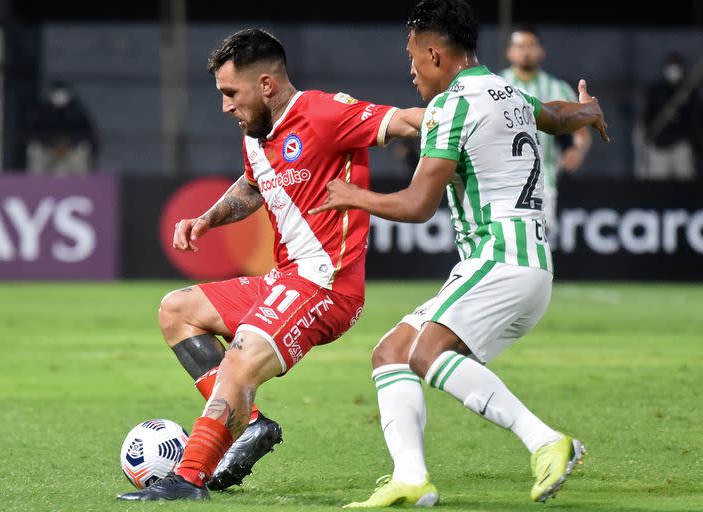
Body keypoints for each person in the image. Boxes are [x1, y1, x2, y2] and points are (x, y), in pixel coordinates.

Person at [309, 0, 609, 506]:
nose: (409, 72)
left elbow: (418, 204)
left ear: (433, 53)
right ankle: (411, 479)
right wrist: (589, 112)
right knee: (392, 353)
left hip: (500, 260)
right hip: (524, 266)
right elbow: (556, 118)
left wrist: (352, 195)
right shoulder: (508, 90)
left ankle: (546, 442)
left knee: (427, 354)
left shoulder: (451, 107)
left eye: (411, 59)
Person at [117, 28, 424, 501]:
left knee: (240, 360)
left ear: (265, 85)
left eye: (230, 93)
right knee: (176, 311)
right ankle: (251, 427)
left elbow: (405, 121)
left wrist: (477, 112)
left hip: (326, 285)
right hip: (286, 278)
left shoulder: (323, 113)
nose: (225, 106)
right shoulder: (256, 133)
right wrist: (208, 218)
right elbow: (252, 185)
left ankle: (189, 478)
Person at [500, 24, 592, 247]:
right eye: (520, 46)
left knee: (537, 241)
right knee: (505, 243)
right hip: (501, 179)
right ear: (509, 52)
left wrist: (577, 149)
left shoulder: (556, 88)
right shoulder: (497, 85)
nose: (526, 51)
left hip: (543, 180)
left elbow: (581, 130)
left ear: (541, 51)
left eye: (531, 45)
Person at [639, 53, 703, 180]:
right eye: (671, 66)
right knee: (658, 180)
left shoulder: (689, 91)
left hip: (681, 144)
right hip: (660, 144)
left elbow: (695, 119)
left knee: (685, 178)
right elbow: (647, 116)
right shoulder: (656, 91)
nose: (674, 71)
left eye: (676, 66)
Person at [26, 80, 98, 175]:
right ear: (50, 94)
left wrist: (70, 144)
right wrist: (50, 144)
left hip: (71, 150)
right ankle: (34, 187)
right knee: (34, 150)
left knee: (83, 150)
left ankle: (82, 187)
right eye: (56, 93)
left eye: (62, 93)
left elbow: (87, 134)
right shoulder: (42, 110)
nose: (59, 96)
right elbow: (34, 133)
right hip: (49, 149)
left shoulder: (77, 110)